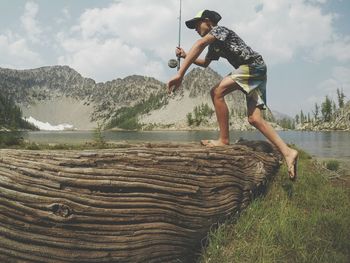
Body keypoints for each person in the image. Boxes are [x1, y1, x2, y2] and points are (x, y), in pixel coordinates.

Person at [167, 10, 298, 180]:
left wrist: (180, 74)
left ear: (207, 21)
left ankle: (223, 140)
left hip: (252, 66)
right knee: (254, 119)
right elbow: (205, 63)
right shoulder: (215, 44)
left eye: (196, 24)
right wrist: (186, 56)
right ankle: (288, 152)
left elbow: (199, 44)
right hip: (258, 70)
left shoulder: (220, 31)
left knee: (216, 92)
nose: (195, 28)